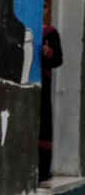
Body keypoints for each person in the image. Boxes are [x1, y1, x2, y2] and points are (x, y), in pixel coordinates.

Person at [40, 22, 64, 182]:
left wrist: (48, 53)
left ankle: (43, 170)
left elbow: (58, 60)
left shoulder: (51, 33)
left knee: (44, 123)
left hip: (44, 84)